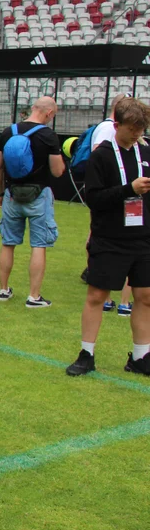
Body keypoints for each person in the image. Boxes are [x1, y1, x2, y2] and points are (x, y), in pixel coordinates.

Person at [66, 98, 150, 377]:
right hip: (109, 238)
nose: (137, 134)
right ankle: (86, 354)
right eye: (132, 129)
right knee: (97, 295)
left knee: (145, 295)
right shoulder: (101, 155)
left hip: (144, 238)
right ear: (117, 125)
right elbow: (94, 199)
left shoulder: (147, 151)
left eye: (142, 129)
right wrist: (129, 189)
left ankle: (140, 357)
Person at [0, 96, 65, 308]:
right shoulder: (48, 136)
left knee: (8, 242)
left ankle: (4, 290)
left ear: (33, 108)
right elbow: (57, 171)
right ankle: (34, 297)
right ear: (49, 113)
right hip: (38, 196)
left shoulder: (8, 132)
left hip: (11, 194)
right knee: (39, 244)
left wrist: (0, 192)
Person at [85, 94, 135, 314]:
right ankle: (110, 296)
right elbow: (99, 165)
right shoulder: (107, 133)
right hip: (113, 205)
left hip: (128, 208)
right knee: (105, 241)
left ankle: (118, 300)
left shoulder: (138, 146)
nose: (136, 135)